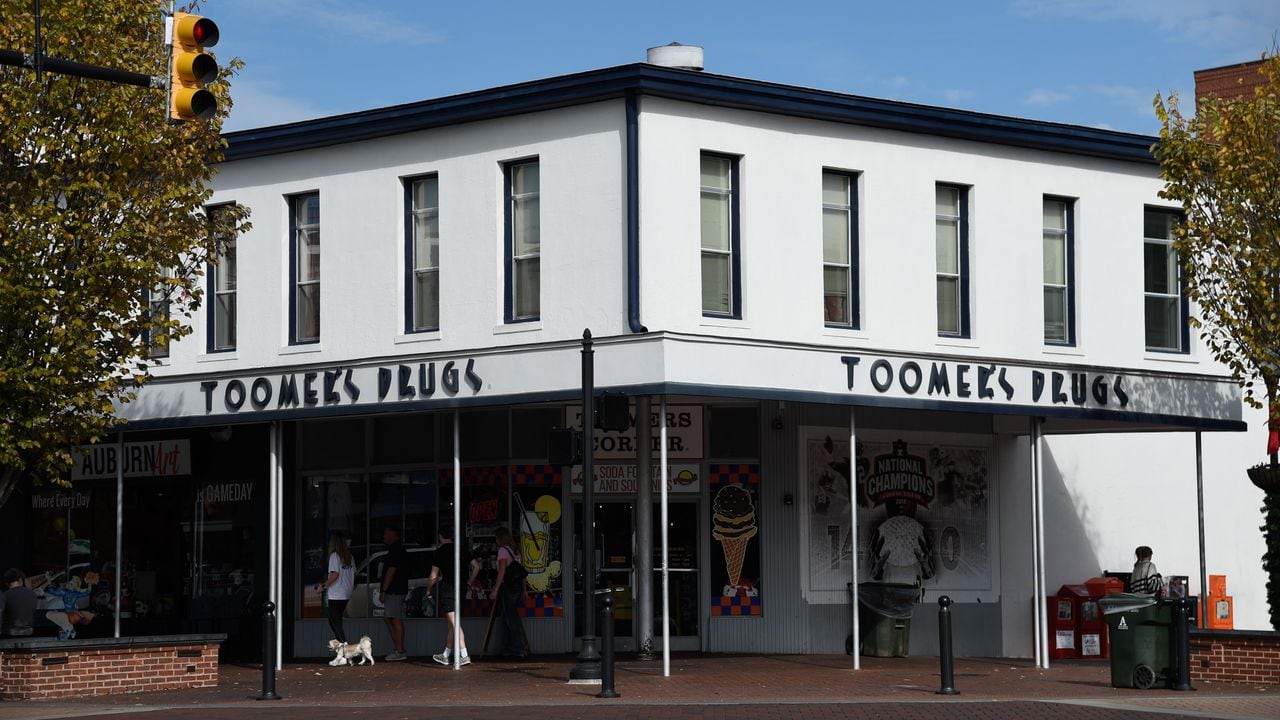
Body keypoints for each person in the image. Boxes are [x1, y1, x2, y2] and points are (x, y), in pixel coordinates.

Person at [427, 526, 470, 666]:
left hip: (448, 589)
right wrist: (468, 581)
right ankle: (446, 654)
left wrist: (428, 590)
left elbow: (433, 576)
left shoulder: (440, 552)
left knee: (454, 623)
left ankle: (464, 654)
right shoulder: (462, 549)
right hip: (462, 588)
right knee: (452, 624)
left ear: (440, 536)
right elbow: (477, 566)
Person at [491, 526, 527, 658]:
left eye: (496, 538)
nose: (495, 540)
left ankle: (518, 649)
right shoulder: (516, 551)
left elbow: (502, 571)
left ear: (500, 538)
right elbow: (521, 573)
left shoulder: (502, 551)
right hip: (517, 587)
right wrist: (524, 590)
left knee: (510, 619)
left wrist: (495, 588)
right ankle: (508, 648)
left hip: (508, 588)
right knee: (507, 618)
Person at [314, 531, 355, 644]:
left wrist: (323, 586)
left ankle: (343, 648)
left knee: (335, 622)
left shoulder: (334, 556)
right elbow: (352, 575)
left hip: (336, 594)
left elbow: (334, 575)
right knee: (335, 621)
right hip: (346, 593)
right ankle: (342, 647)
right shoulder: (349, 557)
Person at [379, 524, 409, 661]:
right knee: (389, 617)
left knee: (394, 618)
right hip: (396, 589)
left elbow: (391, 571)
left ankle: (400, 650)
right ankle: (398, 648)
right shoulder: (396, 549)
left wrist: (384, 590)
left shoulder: (396, 549)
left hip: (395, 590)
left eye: (386, 533)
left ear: (392, 533)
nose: (384, 536)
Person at [2, 568, 36, 637]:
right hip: (29, 631)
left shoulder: (5, 595)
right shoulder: (32, 594)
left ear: (6, 583)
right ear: (20, 580)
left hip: (10, 632)